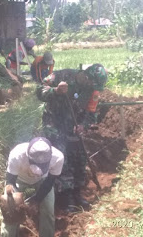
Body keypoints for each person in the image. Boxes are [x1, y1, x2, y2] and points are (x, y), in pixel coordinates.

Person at [36, 64, 108, 213]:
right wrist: (55, 91)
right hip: (54, 124)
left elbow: (91, 112)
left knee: (80, 158)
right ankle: (66, 197)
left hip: (74, 126)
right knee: (63, 157)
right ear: (86, 76)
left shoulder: (93, 90)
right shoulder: (61, 75)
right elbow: (39, 91)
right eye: (91, 84)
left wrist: (83, 125)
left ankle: (77, 193)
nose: (92, 88)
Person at [0, 137, 64, 237]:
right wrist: (13, 198)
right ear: (28, 156)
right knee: (10, 211)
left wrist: (36, 201)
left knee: (48, 209)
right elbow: (10, 181)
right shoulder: (17, 155)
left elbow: (49, 182)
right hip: (19, 180)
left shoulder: (58, 158)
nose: (37, 171)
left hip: (42, 181)